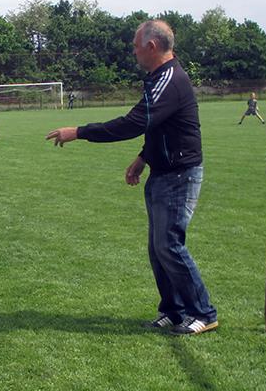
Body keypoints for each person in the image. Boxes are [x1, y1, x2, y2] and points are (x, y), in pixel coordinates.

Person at [46, 19, 218, 335]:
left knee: (169, 244)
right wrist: (143, 157)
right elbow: (158, 127)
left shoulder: (169, 80)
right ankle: (174, 311)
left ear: (151, 46)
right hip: (163, 171)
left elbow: (133, 123)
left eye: (136, 45)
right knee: (159, 247)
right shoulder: (158, 78)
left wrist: (79, 132)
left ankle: (203, 313)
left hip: (180, 174)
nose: (133, 50)